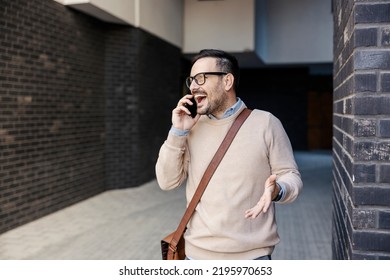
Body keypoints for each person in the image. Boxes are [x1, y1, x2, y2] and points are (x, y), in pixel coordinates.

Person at [155, 49, 303, 260]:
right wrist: (177, 131)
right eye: (191, 80)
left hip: (252, 259)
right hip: (196, 256)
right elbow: (166, 181)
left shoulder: (266, 123)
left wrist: (278, 190)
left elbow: (291, 175)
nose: (194, 86)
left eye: (201, 78)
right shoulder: (191, 128)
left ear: (227, 81)